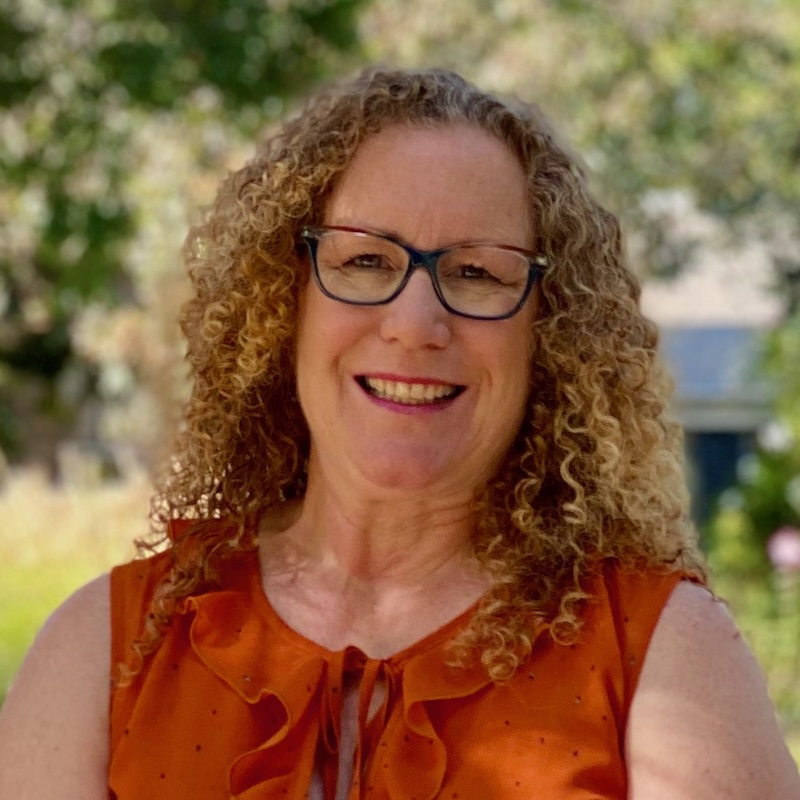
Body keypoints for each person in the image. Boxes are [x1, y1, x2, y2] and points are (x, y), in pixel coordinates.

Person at [0, 67, 798, 800]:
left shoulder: (661, 655)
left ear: (550, 334)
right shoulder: (103, 651)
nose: (415, 324)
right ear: (286, 300)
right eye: (365, 262)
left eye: (477, 273)